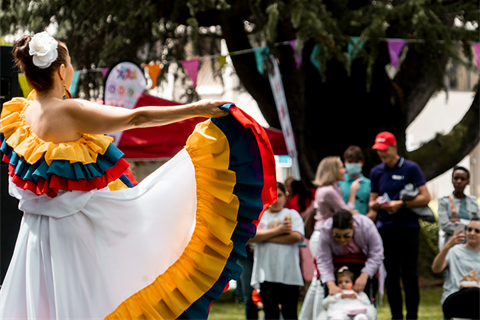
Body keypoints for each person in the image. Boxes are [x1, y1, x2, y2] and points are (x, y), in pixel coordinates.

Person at [0, 32, 276, 319]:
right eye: (69, 62)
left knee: (40, 304)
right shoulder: (70, 110)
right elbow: (136, 118)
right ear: (61, 71)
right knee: (90, 301)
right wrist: (196, 108)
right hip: (71, 234)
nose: (71, 68)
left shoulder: (22, 113)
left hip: (33, 235)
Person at [369, 131, 430, 320]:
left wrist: (401, 204)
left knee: (410, 276)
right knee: (391, 277)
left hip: (408, 229)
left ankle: (412, 316)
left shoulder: (411, 168)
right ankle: (397, 316)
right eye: (379, 151)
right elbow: (372, 200)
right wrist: (378, 205)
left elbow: (425, 196)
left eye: (385, 150)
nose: (382, 154)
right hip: (386, 229)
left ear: (394, 147)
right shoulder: (376, 171)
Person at [299, 157, 361, 320]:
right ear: (333, 170)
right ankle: (319, 316)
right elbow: (346, 213)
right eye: (341, 167)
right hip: (322, 238)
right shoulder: (328, 191)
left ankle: (306, 317)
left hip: (322, 237)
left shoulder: (332, 189)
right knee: (322, 281)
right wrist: (353, 193)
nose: (345, 170)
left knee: (316, 281)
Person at [250, 182, 305, 320]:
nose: (275, 199)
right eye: (271, 195)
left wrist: (265, 236)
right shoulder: (260, 216)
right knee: (270, 313)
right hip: (266, 272)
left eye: (279, 195)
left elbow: (296, 237)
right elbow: (251, 237)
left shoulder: (292, 214)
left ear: (285, 196)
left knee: (289, 313)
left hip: (288, 273)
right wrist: (279, 231)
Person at [316, 210, 385, 300]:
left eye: (346, 236)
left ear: (353, 227)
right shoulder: (326, 229)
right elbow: (323, 259)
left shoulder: (367, 225)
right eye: (337, 236)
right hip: (336, 266)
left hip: (364, 265)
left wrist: (364, 276)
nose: (342, 240)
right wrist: (331, 284)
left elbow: (377, 254)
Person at [432, 217, 480, 320]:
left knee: (475, 293)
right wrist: (448, 246)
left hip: (477, 301)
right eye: (469, 229)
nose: (472, 233)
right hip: (454, 297)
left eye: (477, 231)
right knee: (474, 292)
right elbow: (436, 269)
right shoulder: (454, 250)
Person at [438, 166, 480, 250]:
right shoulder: (444, 201)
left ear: (468, 181)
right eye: (456, 178)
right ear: (452, 180)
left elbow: (478, 225)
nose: (459, 181)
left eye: (463, 179)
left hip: (471, 246)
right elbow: (445, 225)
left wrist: (460, 221)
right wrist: (471, 224)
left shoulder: (473, 201)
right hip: (451, 246)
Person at [338, 146, 372, 217]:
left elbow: (372, 211)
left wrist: (360, 224)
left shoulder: (369, 184)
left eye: (356, 162)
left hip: (363, 225)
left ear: (362, 162)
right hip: (342, 225)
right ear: (344, 162)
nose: (353, 164)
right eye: (350, 162)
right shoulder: (338, 183)